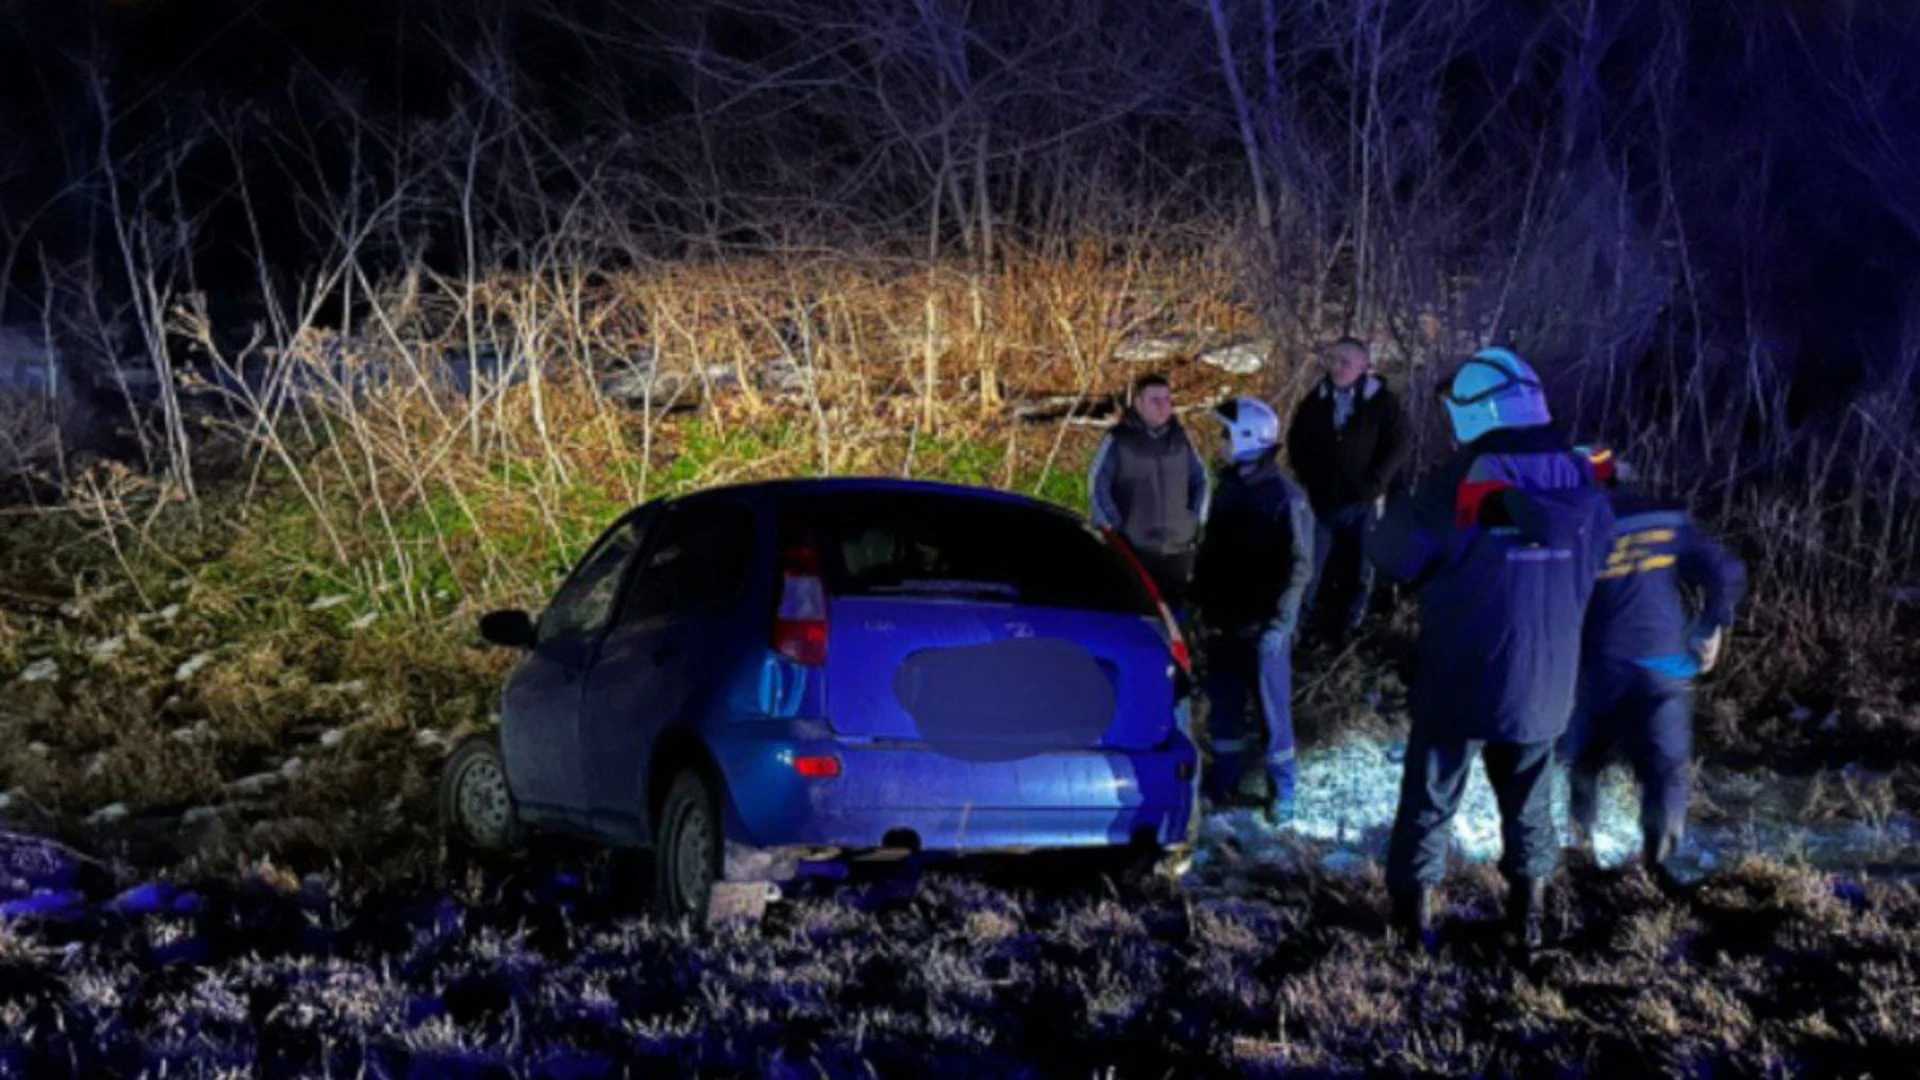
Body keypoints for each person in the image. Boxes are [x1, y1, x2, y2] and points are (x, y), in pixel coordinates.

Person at [1366, 347, 1614, 951]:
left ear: (1478, 411)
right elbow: (1598, 560)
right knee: (1531, 801)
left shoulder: (1457, 482)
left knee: (1429, 799)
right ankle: (1526, 925)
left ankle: (1411, 930)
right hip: (1546, 679)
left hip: (1462, 672)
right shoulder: (1585, 477)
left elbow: (1390, 554)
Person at [1562, 445, 1746, 890]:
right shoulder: (1664, 519)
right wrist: (1712, 624)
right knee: (1664, 772)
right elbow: (1726, 570)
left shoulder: (1567, 526)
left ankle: (1580, 861)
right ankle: (1657, 873)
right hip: (1661, 667)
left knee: (1584, 765)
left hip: (1592, 670)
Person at [1190, 397, 1314, 823]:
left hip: (1264, 626)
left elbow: (1300, 565)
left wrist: (1281, 622)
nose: (1220, 442)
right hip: (1225, 621)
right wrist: (1199, 603)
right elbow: (1211, 552)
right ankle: (1225, 780)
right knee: (1224, 710)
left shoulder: (1285, 496)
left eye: (1226, 433)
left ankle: (1284, 790)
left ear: (1247, 438)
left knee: (1272, 712)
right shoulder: (1227, 488)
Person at [1286, 336, 1410, 644]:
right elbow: (1297, 441)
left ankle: (1351, 629)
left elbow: (1399, 445)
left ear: (1363, 367)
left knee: (1361, 569)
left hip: (1363, 500)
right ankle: (1302, 628)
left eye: (1346, 362)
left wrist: (1375, 482)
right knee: (1310, 568)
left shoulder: (1380, 401)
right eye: (1334, 360)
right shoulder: (1317, 399)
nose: (1337, 367)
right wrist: (1309, 477)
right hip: (1322, 500)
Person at [1089, 373, 1211, 612]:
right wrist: (1115, 529)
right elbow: (1097, 484)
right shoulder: (1118, 439)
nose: (1163, 406)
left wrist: (1196, 520)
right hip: (1136, 549)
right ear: (1138, 403)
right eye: (1155, 400)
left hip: (1179, 549)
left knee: (1180, 618)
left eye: (1167, 400)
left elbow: (1202, 480)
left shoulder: (1181, 438)